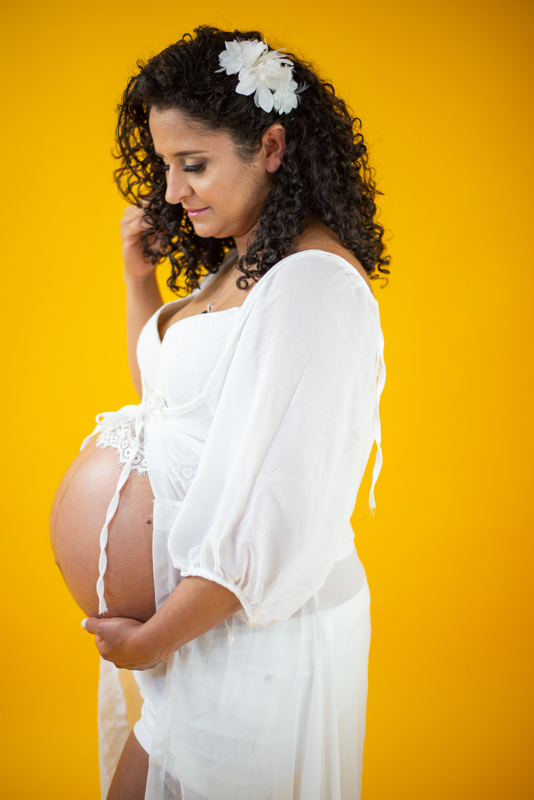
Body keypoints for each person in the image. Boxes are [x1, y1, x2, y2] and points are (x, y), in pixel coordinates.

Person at [81, 24, 389, 800]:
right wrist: (138, 286)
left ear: (273, 148)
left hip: (257, 644)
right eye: (165, 166)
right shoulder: (248, 263)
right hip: (200, 632)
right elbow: (170, 410)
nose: (174, 191)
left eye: (195, 165)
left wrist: (154, 638)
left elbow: (277, 511)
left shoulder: (312, 286)